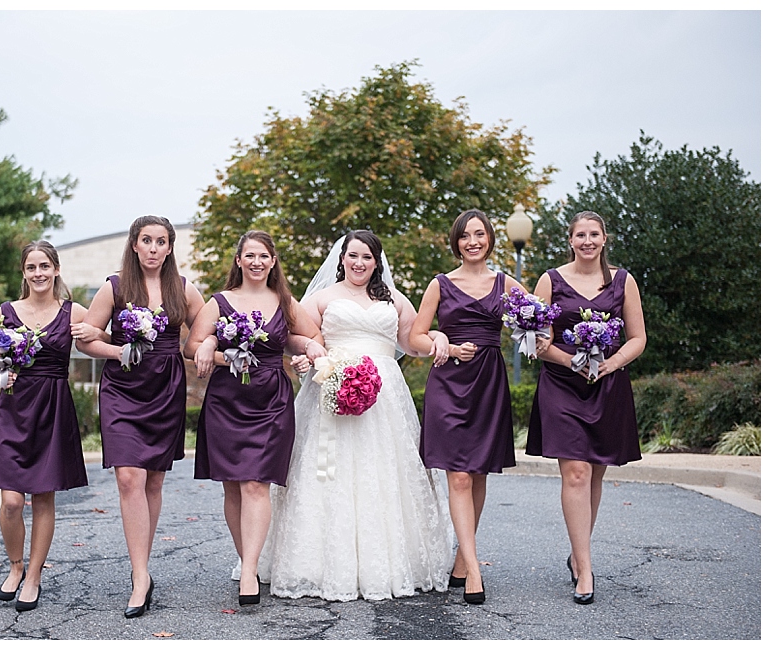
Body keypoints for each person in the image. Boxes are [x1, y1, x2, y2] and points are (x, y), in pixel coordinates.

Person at [258, 230, 455, 602]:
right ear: (342, 259)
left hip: (385, 395)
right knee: (326, 473)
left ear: (377, 262)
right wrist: (312, 351)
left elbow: (414, 341)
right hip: (331, 386)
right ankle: (315, 564)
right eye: (353, 256)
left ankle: (392, 561)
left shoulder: (394, 299)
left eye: (367, 257)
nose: (359, 263)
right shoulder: (321, 298)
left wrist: (439, 339)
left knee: (382, 470)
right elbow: (295, 336)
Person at [75, 215, 206, 618]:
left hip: (165, 387)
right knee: (128, 476)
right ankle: (140, 576)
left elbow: (206, 331)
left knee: (153, 479)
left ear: (169, 248)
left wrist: (207, 347)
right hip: (123, 387)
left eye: (161, 241)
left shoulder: (184, 289)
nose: (153, 248)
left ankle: (142, 569)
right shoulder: (114, 286)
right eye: (146, 240)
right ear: (134, 244)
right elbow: (88, 338)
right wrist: (117, 350)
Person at [184, 230, 324, 606]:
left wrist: (307, 348)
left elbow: (307, 337)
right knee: (232, 484)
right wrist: (215, 346)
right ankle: (249, 559)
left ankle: (249, 573)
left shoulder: (284, 300)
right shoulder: (220, 302)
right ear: (239, 261)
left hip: (270, 399)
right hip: (227, 400)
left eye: (263, 256)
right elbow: (191, 346)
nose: (257, 262)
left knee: (255, 485)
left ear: (273, 261)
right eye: (250, 256)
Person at [409, 209, 534, 605]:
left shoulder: (506, 283)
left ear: (490, 239)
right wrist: (442, 341)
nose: (473, 241)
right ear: (456, 242)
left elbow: (537, 320)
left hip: (488, 382)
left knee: (478, 474)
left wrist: (536, 337)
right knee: (459, 476)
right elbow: (415, 336)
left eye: (479, 234)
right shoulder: (440, 285)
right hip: (449, 383)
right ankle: (476, 569)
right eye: (465, 236)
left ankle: (464, 558)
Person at [528, 211, 647, 605]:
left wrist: (610, 363)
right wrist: (572, 361)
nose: (587, 240)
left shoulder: (623, 282)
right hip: (561, 384)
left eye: (594, 234)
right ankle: (587, 569)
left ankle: (577, 555)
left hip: (607, 386)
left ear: (604, 237)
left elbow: (638, 337)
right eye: (580, 234)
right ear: (571, 240)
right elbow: (537, 341)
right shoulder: (550, 280)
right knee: (576, 473)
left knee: (595, 474)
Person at [0, 240, 100, 612]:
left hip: (53, 407)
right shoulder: (5, 313)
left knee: (43, 497)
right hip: (14, 408)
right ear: (24, 272)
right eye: (31, 267)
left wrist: (93, 336)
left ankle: (33, 576)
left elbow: (110, 342)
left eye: (44, 266)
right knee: (10, 502)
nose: (38, 273)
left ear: (56, 269)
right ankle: (15, 566)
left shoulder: (73, 312)